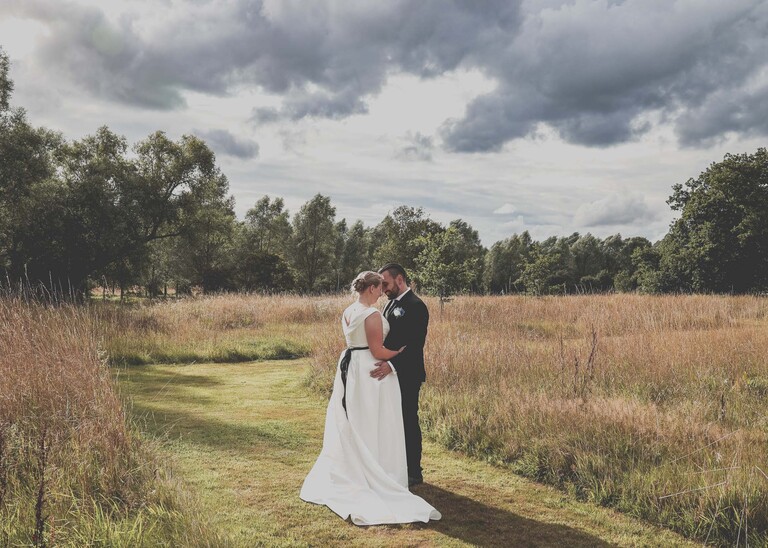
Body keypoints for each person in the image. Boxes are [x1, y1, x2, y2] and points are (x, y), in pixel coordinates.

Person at [300, 271, 441, 526]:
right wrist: (397, 352)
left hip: (352, 365)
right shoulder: (373, 313)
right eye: (380, 287)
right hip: (370, 368)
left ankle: (363, 465)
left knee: (357, 417)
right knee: (377, 419)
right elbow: (377, 350)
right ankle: (376, 469)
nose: (382, 292)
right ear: (372, 288)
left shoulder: (348, 311)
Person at [371, 263, 428, 487]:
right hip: (389, 373)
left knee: (408, 421)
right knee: (391, 421)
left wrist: (392, 365)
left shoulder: (416, 306)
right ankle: (394, 466)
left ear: (400, 279)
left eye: (385, 283)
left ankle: (414, 471)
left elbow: (415, 345)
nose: (382, 288)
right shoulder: (388, 305)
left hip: (407, 373)